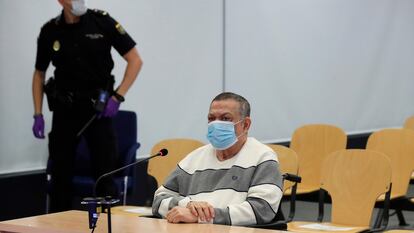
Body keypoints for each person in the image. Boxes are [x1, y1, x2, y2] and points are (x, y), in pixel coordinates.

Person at [31, 0, 142, 212]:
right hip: (65, 111)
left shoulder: (102, 22)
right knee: (60, 179)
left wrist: (118, 96)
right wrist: (38, 113)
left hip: (97, 112)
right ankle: (57, 227)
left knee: (105, 177)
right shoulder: (50, 30)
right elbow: (39, 73)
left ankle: (107, 226)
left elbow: (135, 60)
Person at [152, 92, 283, 226]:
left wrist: (202, 217)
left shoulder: (263, 157)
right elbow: (158, 200)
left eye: (225, 118)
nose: (216, 124)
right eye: (211, 118)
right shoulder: (194, 158)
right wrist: (189, 205)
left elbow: (262, 210)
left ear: (246, 124)